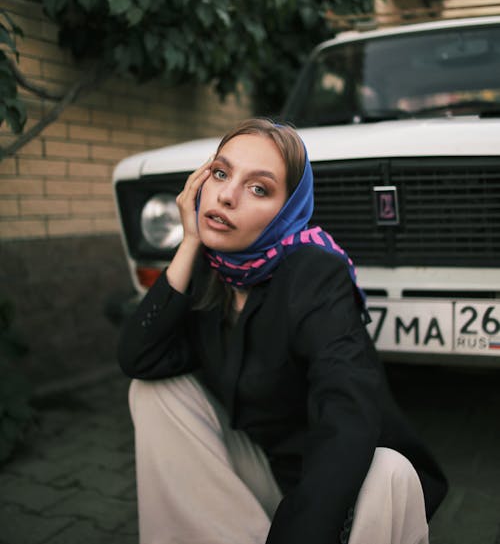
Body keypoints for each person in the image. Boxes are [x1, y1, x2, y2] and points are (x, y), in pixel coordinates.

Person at [118, 117, 447, 544]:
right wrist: (189, 242)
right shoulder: (208, 269)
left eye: (259, 188)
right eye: (220, 173)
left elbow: (348, 415)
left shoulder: (314, 273)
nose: (228, 195)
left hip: (341, 489)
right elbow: (138, 358)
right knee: (152, 392)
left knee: (390, 468)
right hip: (268, 471)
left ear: (287, 211)